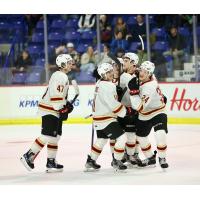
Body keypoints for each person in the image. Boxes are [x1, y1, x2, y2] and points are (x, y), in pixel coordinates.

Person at [20, 54, 74, 173]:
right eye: (69, 62)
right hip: (50, 109)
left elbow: (58, 95)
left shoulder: (60, 75)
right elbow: (56, 96)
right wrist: (62, 108)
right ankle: (28, 155)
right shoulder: (61, 76)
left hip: (53, 109)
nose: (71, 64)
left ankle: (51, 161)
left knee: (56, 136)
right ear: (63, 65)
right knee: (47, 135)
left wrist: (65, 105)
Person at [85, 63, 130, 171]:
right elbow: (113, 105)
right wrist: (126, 111)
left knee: (101, 139)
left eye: (111, 71)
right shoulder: (109, 86)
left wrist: (115, 92)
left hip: (98, 118)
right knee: (122, 138)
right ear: (102, 74)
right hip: (106, 119)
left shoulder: (99, 83)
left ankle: (91, 160)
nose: (111, 73)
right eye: (108, 72)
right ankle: (117, 160)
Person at [128, 61, 169, 169]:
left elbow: (139, 107)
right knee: (141, 137)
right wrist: (137, 72)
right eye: (141, 70)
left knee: (160, 134)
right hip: (144, 115)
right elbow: (141, 75)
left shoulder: (149, 87)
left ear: (149, 74)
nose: (142, 73)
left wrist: (133, 92)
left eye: (145, 72)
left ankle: (162, 157)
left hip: (158, 112)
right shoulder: (148, 76)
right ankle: (150, 158)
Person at [110, 53, 141, 168]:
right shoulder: (123, 77)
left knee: (133, 135)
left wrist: (138, 78)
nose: (123, 63)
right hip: (122, 111)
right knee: (120, 137)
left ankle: (131, 155)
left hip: (132, 110)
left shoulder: (130, 76)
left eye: (126, 61)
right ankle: (117, 157)